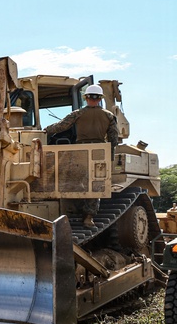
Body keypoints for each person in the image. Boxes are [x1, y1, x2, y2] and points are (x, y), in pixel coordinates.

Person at [43, 84, 120, 228]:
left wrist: (46, 130)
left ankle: (70, 211)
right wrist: (109, 157)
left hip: (80, 151)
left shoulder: (78, 113)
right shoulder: (109, 116)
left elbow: (61, 126)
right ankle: (88, 218)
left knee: (76, 181)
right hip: (99, 152)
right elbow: (113, 139)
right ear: (100, 99)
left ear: (86, 98)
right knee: (95, 185)